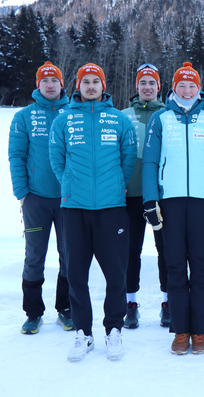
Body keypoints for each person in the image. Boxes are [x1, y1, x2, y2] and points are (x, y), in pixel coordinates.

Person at [49, 63, 137, 361]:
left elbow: (128, 159)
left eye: (95, 82)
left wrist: (116, 185)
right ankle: (83, 334)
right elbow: (56, 158)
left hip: (112, 208)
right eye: (85, 82)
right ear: (78, 86)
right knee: (76, 274)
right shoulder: (63, 120)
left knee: (116, 274)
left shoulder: (118, 120)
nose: (90, 86)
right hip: (74, 208)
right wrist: (69, 184)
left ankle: (114, 329)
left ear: (103, 85)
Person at [142, 62, 204, 355]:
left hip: (203, 203)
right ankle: (180, 329)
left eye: (192, 85)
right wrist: (150, 200)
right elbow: (151, 161)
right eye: (182, 85)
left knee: (201, 265)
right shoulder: (160, 119)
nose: (187, 90)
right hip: (171, 202)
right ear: (174, 87)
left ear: (199, 88)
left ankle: (200, 330)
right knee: (175, 265)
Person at [8, 61, 71, 335]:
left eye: (54, 81)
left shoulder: (73, 113)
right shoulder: (24, 117)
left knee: (69, 256)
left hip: (69, 199)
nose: (49, 85)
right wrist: (22, 193)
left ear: (62, 85)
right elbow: (16, 156)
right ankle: (33, 313)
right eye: (45, 81)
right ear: (38, 85)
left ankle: (66, 308)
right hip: (36, 199)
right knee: (35, 256)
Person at [120, 64, 169, 329]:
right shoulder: (123, 116)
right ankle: (130, 304)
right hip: (130, 195)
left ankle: (167, 302)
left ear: (159, 87)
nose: (147, 87)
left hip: (162, 195)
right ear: (136, 87)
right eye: (143, 83)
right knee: (130, 251)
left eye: (152, 83)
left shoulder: (168, 115)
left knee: (165, 250)